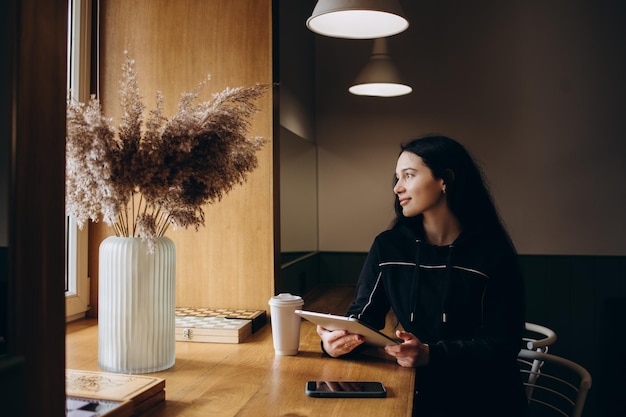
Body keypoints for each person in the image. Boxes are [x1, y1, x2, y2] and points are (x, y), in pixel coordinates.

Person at [317, 135, 528, 417]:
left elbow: (503, 346)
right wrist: (335, 344)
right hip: (416, 389)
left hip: (486, 397)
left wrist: (431, 354)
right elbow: (364, 318)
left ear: (445, 180)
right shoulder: (388, 246)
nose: (397, 187)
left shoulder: (492, 253)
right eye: (396, 177)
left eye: (409, 175)